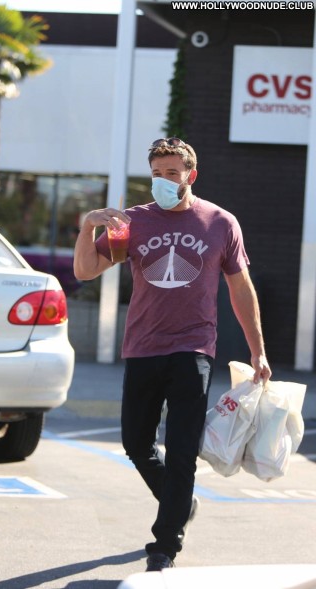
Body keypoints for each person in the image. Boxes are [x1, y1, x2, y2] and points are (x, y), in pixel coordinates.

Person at [73, 137, 271, 572]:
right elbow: (86, 270)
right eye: (156, 174)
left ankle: (164, 545)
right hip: (142, 346)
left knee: (182, 450)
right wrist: (88, 227)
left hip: (193, 348)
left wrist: (258, 351)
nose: (162, 181)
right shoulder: (132, 221)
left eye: (172, 173)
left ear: (190, 176)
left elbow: (241, 289)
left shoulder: (220, 223)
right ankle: (179, 502)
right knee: (135, 442)